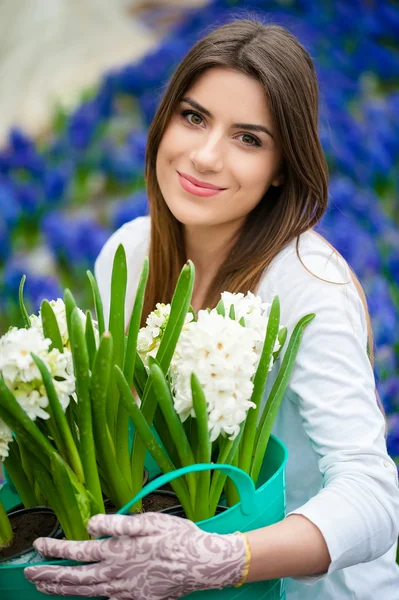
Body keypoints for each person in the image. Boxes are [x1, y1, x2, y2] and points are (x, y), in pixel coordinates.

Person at [25, 17, 399, 600]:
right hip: (171, 571)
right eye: (193, 117)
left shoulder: (306, 285)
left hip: (309, 589)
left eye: (248, 139)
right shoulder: (129, 253)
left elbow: (375, 497)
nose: (203, 156)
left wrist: (228, 556)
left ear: (281, 170)